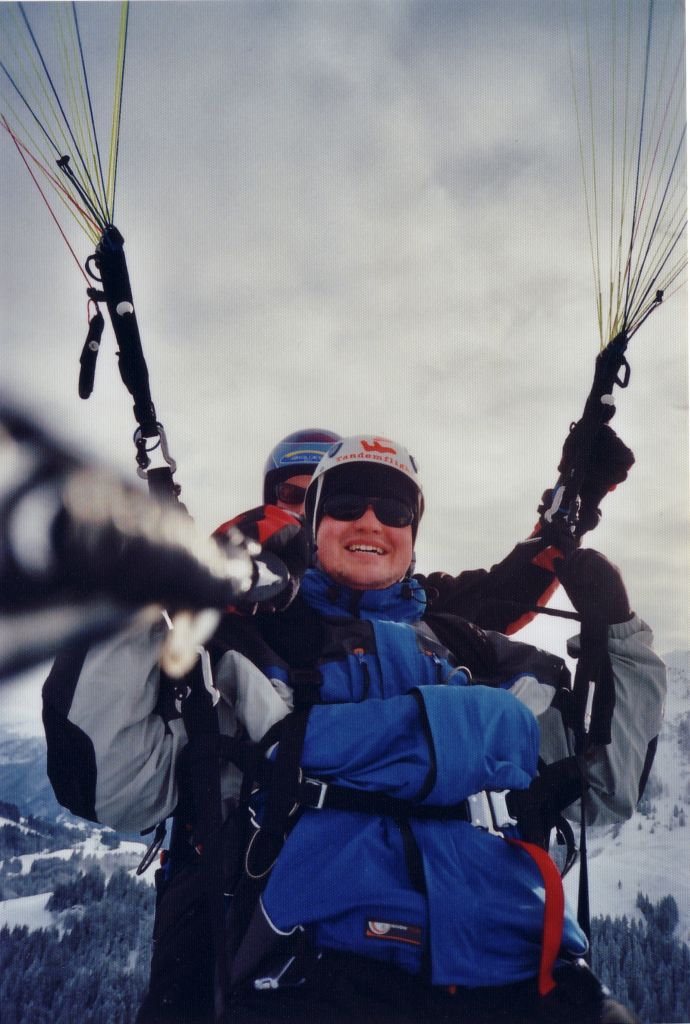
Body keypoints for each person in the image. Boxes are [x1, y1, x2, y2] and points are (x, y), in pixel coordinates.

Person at [43, 434, 664, 1024]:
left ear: (413, 535)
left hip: (519, 959)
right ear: (312, 527)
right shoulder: (242, 646)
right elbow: (115, 781)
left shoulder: (462, 643)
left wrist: (616, 630)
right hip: (318, 964)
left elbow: (602, 777)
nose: (370, 521)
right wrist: (138, 586)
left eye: (392, 508)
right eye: (341, 503)